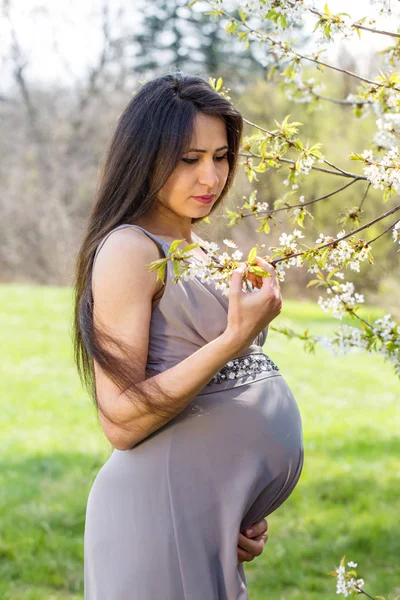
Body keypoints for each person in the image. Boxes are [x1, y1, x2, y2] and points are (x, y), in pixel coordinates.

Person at [73, 71, 304, 600]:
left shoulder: (201, 249)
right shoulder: (132, 249)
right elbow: (121, 420)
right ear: (146, 157)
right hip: (155, 515)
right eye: (189, 159)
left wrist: (238, 502)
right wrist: (235, 337)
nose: (212, 177)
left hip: (202, 516)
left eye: (221, 156)